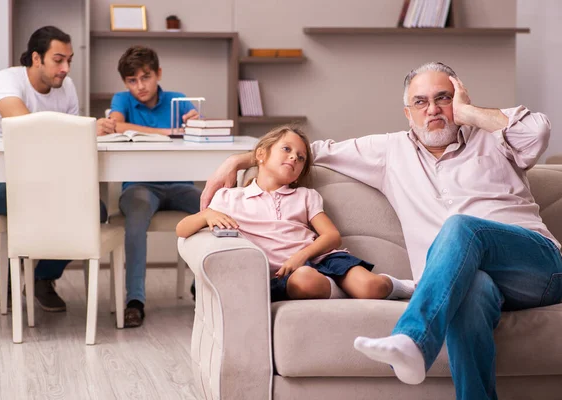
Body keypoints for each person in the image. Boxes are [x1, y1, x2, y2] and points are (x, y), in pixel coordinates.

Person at [200, 62, 562, 400]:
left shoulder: (494, 137)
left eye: (443, 98)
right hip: (468, 279)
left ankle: (413, 338)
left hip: (536, 266)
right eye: (420, 102)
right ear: (408, 114)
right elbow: (308, 152)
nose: (432, 109)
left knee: (462, 227)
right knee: (471, 292)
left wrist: (469, 114)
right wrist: (239, 159)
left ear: (460, 97)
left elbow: (538, 130)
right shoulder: (390, 151)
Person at [177, 126, 415, 302]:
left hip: (323, 259)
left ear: (300, 172)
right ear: (261, 154)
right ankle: (341, 290)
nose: (294, 157)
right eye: (286, 149)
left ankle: (412, 287)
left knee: (371, 287)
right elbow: (182, 230)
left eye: (300, 158)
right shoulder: (230, 198)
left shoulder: (305, 196)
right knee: (304, 280)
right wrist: (206, 216)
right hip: (285, 275)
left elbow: (331, 237)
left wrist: (301, 256)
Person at [0, 26, 111, 312]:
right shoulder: (8, 80)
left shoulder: (67, 88)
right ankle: (5, 271)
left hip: (51, 180)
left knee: (96, 211)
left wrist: (90, 131)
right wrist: (85, 129)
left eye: (69, 60)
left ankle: (42, 277)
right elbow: (25, 129)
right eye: (58, 59)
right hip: (1, 183)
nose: (65, 68)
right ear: (36, 58)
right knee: (50, 203)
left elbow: (73, 145)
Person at [105, 45, 200, 327]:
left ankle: (203, 284)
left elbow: (198, 128)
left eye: (145, 77)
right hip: (140, 186)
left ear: (158, 74)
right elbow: (116, 126)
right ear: (125, 83)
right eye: (132, 80)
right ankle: (135, 300)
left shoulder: (178, 100)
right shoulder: (122, 100)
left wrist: (194, 122)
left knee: (214, 209)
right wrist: (167, 133)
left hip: (180, 185)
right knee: (135, 219)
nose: (140, 86)